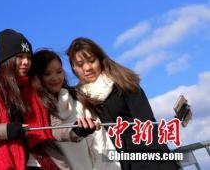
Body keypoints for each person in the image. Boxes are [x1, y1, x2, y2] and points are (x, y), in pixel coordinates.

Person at [0, 29, 97, 170]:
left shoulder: (36, 87)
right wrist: (4, 131)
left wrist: (77, 130)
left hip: (45, 163)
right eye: (20, 56)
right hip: (2, 164)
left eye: (29, 57)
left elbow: (53, 128)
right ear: (6, 60)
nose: (26, 62)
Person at [66, 37, 179, 170]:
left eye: (92, 61)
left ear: (100, 59)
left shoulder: (124, 83)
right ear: (73, 68)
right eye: (80, 64)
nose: (87, 68)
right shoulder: (79, 98)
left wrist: (165, 164)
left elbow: (148, 125)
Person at [31, 49, 121, 170]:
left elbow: (100, 141)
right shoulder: (36, 111)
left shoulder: (77, 100)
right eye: (47, 74)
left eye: (59, 72)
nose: (55, 77)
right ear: (37, 77)